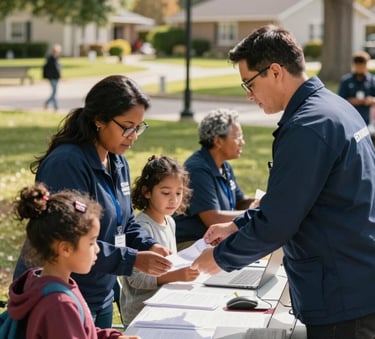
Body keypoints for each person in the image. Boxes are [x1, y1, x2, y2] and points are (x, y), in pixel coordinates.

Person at [192, 24, 375, 339]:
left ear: (275, 71)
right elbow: (296, 198)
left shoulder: (307, 126)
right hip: (355, 276)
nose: (249, 95)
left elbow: (279, 221)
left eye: (249, 83)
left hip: (341, 292)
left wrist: (220, 259)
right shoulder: (336, 108)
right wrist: (236, 225)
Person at [13, 75, 172, 328]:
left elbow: (125, 222)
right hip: (58, 295)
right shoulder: (66, 163)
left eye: (139, 127)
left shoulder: (117, 159)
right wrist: (133, 259)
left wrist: (149, 246)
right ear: (99, 119)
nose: (133, 136)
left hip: (100, 293)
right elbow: (68, 239)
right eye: (127, 127)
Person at [8, 183, 140, 339]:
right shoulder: (59, 304)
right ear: (65, 249)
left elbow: (82, 329)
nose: (97, 249)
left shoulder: (40, 281)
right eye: (91, 243)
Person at [119, 155, 199, 326]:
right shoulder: (141, 229)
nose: (174, 199)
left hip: (165, 303)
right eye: (165, 193)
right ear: (147, 192)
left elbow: (171, 264)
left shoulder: (170, 221)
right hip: (141, 315)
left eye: (178, 193)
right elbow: (136, 280)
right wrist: (176, 276)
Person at [174, 109, 259, 250]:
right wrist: (256, 213)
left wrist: (263, 202)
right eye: (237, 137)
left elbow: (240, 202)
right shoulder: (197, 169)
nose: (242, 142)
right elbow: (213, 219)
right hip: (191, 245)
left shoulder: (224, 166)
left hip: (214, 241)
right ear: (218, 141)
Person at [338, 50, 375, 125]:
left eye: (362, 65)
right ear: (354, 65)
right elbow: (340, 101)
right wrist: (354, 101)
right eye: (358, 65)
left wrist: (371, 100)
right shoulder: (346, 81)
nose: (360, 68)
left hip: (369, 120)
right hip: (350, 119)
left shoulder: (372, 80)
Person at [43, 43, 62, 111]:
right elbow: (50, 69)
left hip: (56, 78)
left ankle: (48, 102)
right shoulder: (51, 59)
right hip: (52, 78)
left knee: (54, 92)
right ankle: (56, 106)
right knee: (54, 92)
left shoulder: (56, 59)